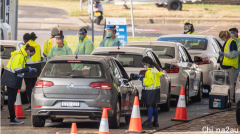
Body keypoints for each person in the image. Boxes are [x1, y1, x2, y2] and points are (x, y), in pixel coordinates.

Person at [1, 44, 36, 124]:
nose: (29, 56)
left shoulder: (19, 55)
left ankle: (13, 118)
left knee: (11, 100)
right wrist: (27, 69)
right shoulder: (19, 56)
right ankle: (12, 119)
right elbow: (17, 69)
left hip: (11, 79)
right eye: (30, 54)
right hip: (11, 79)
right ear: (27, 51)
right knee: (11, 100)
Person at [134, 56, 162, 128]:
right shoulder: (155, 69)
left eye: (144, 63)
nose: (144, 65)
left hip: (150, 90)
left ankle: (149, 121)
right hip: (156, 90)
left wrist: (141, 78)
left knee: (149, 105)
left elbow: (147, 82)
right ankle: (156, 121)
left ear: (147, 63)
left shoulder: (149, 71)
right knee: (154, 106)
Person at [21, 32, 41, 111]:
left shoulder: (26, 46)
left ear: (25, 40)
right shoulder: (37, 45)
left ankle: (31, 105)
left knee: (28, 88)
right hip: (37, 68)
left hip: (28, 68)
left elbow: (22, 55)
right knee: (34, 87)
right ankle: (36, 103)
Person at [219, 31, 238, 103]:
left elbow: (234, 54)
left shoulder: (232, 42)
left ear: (225, 36)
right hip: (225, 65)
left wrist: (224, 54)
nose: (222, 39)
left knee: (231, 83)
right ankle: (227, 97)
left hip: (230, 66)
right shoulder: (227, 42)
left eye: (222, 38)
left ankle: (230, 98)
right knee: (226, 83)